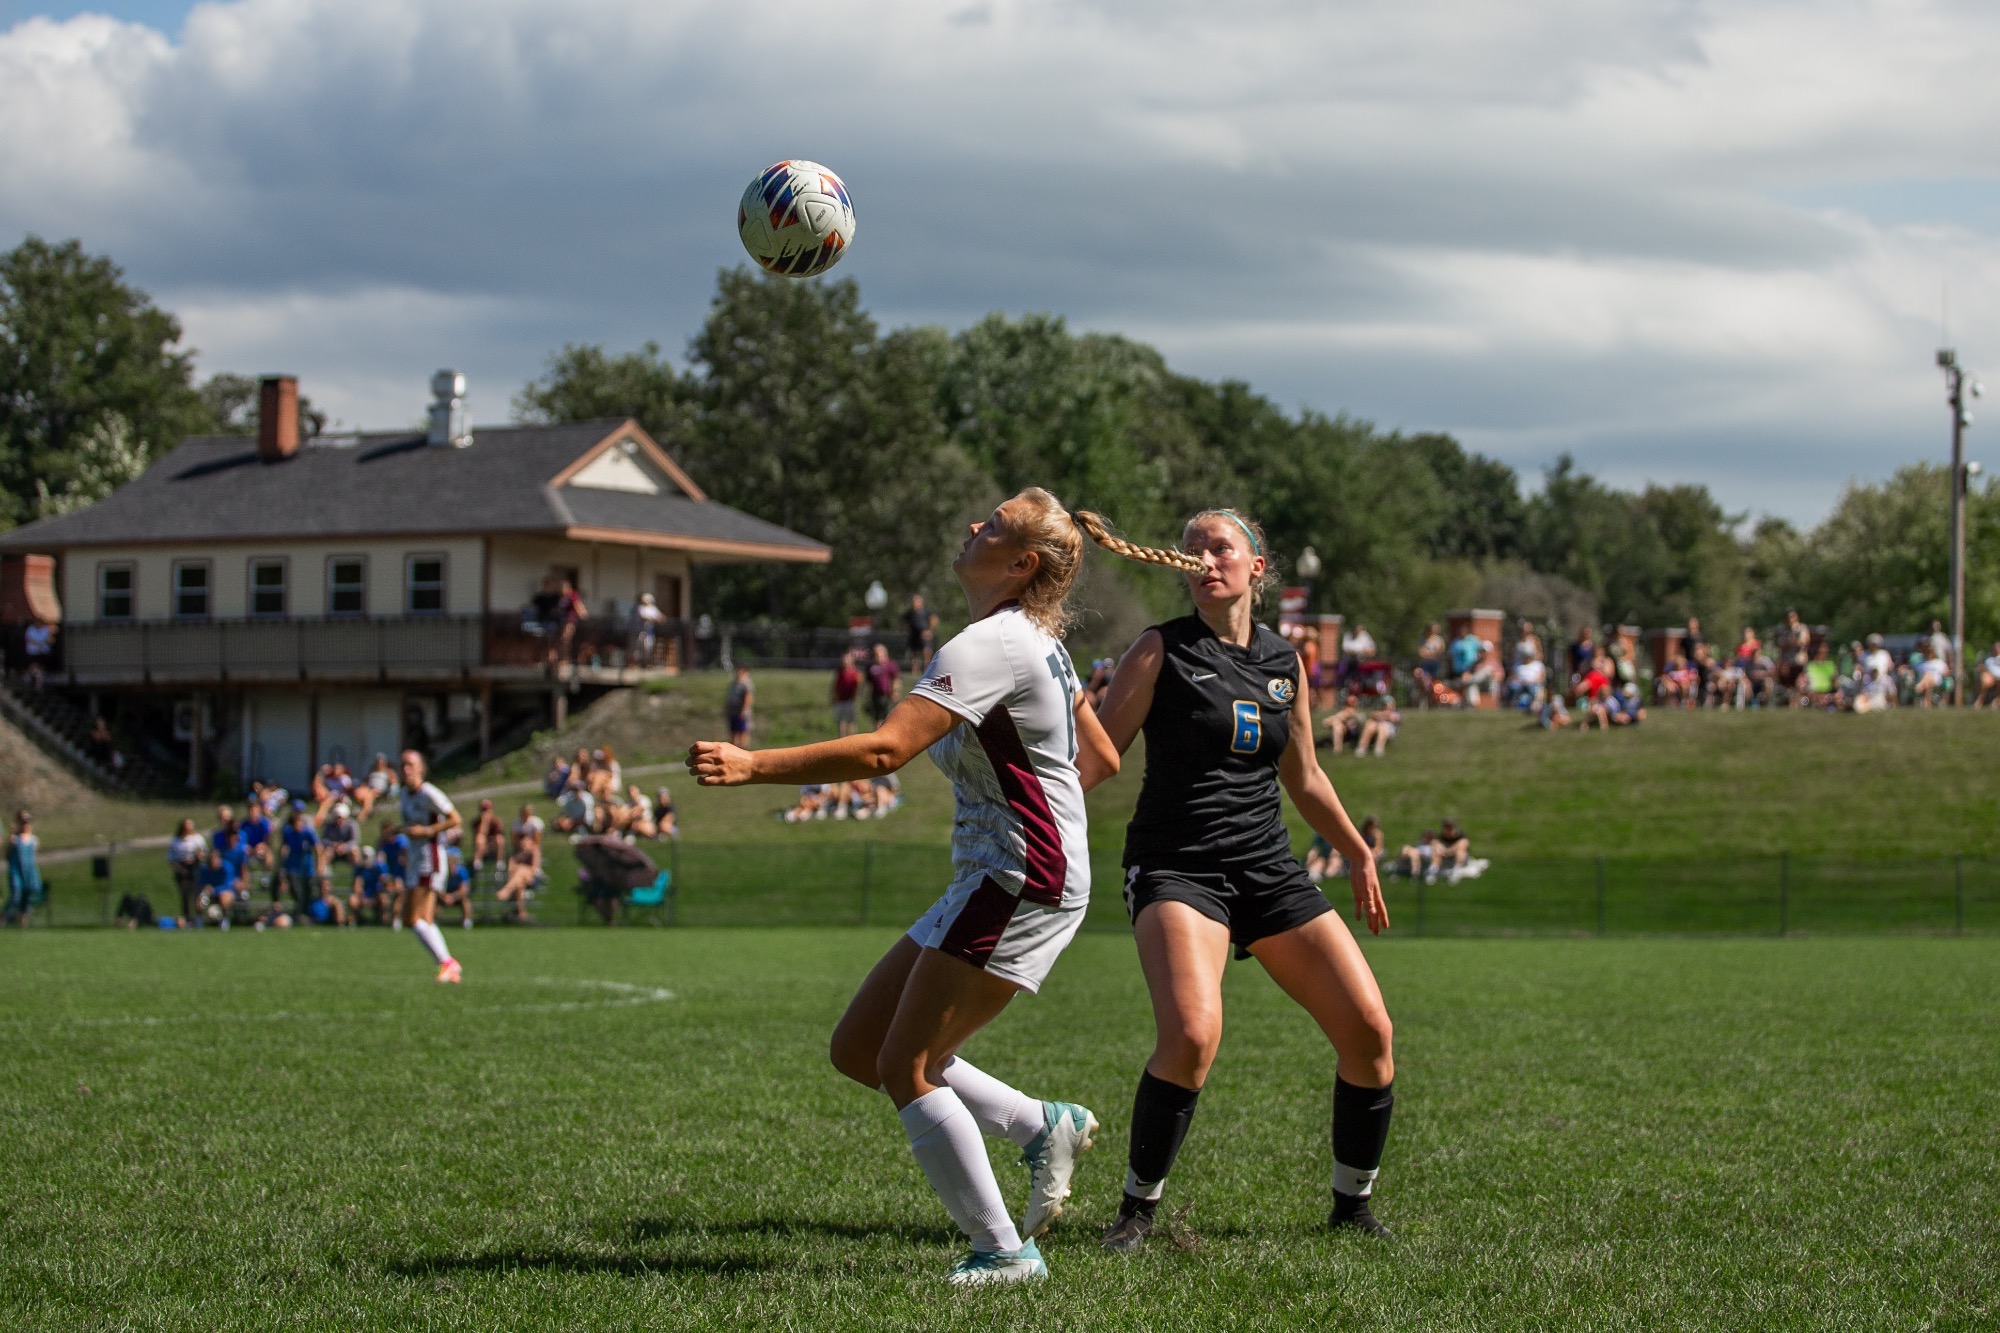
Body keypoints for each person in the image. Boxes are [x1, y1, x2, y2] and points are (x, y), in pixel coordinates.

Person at [688, 488, 1156, 1286]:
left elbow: (882, 754)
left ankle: (1005, 1252)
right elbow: (1102, 757)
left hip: (1017, 876)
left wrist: (751, 764)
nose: (973, 523)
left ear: (1021, 564)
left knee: (907, 1063)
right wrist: (1042, 810)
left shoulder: (992, 645)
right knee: (861, 1049)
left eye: (994, 525)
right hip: (1004, 871)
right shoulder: (1034, 639)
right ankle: (1042, 1125)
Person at [1086, 505, 1396, 1253]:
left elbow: (1307, 775)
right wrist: (1034, 811)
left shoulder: (1285, 662)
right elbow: (1096, 754)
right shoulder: (1159, 649)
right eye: (1191, 546)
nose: (1202, 557)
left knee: (1370, 1033)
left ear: (1257, 567)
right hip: (1176, 864)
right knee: (1193, 1033)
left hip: (1266, 865)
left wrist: (1356, 850)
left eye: (1219, 545)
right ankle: (1136, 1209)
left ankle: (1350, 1207)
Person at [395, 749, 464, 982]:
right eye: (403, 764)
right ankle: (448, 966)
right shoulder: (404, 794)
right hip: (415, 860)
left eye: (411, 765)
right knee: (422, 919)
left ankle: (447, 963)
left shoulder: (429, 793)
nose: (406, 769)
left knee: (413, 918)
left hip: (430, 858)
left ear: (421, 768)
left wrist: (426, 831)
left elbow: (455, 819)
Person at [279, 806, 321, 910]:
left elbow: (318, 848)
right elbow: (284, 847)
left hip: (307, 865)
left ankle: (306, 910)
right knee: (294, 887)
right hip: (293, 865)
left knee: (309, 889)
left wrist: (319, 865)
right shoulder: (288, 832)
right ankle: (300, 909)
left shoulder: (308, 832)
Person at [6, 810, 42, 926]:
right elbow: (6, 856)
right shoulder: (14, 839)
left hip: (29, 872)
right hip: (16, 871)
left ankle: (22, 924)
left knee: (27, 898)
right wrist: (10, 844)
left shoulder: (34, 840)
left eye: (27, 822)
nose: (25, 825)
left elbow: (33, 858)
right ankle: (4, 918)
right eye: (22, 822)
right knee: (16, 895)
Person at [168, 817, 207, 922]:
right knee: (185, 894)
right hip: (182, 869)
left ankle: (199, 918)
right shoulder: (176, 841)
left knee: (197, 894)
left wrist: (198, 857)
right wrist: (180, 869)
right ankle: (187, 917)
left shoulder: (197, 839)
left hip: (195, 868)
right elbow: (171, 859)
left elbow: (203, 853)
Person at [348, 847, 390, 925]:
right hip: (363, 896)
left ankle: (383, 921)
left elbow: (383, 884)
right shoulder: (359, 869)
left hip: (375, 895)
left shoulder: (378, 868)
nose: (364, 859)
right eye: (363, 856)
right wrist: (362, 897)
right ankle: (358, 920)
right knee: (353, 900)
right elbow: (357, 885)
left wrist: (374, 897)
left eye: (366, 856)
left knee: (383, 899)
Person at [471, 799, 508, 881]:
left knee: (499, 840)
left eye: (487, 809)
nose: (485, 812)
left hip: (494, 848)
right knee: (480, 839)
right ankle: (477, 867)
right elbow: (480, 834)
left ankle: (499, 867)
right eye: (483, 810)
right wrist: (484, 823)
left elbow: (499, 833)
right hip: (482, 849)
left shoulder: (496, 821)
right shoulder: (476, 822)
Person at [866, 642, 900, 730]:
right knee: (877, 718)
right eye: (875, 654)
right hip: (875, 695)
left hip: (887, 695)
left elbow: (895, 679)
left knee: (888, 718)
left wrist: (894, 691)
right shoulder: (871, 667)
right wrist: (866, 697)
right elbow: (868, 683)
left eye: (879, 653)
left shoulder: (890, 665)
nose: (877, 656)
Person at [832, 649, 863, 738]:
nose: (845, 660)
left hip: (850, 700)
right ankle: (841, 739)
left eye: (847, 658)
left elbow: (859, 685)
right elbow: (836, 684)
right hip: (840, 700)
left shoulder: (855, 672)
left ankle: (851, 740)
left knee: (851, 721)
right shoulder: (840, 671)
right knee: (840, 721)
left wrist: (856, 697)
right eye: (844, 658)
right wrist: (834, 695)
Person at [905, 593, 939, 671]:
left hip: (924, 635)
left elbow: (934, 620)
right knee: (914, 653)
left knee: (926, 652)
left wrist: (929, 631)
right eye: (914, 601)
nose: (915, 603)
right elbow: (904, 622)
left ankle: (926, 669)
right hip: (914, 635)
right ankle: (914, 670)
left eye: (917, 601)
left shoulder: (926, 612)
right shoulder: (910, 613)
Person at [725, 664, 754, 748]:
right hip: (733, 711)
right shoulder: (735, 683)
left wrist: (744, 710)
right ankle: (734, 748)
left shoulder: (746, 683)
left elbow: (748, 698)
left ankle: (743, 748)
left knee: (743, 731)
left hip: (741, 711)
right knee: (734, 731)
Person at [1977, 641, 2000, 708]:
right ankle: (1980, 699)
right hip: (1990, 677)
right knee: (1984, 680)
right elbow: (1983, 668)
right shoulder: (1988, 658)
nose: (1996, 649)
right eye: (1995, 647)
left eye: (1998, 647)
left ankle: (1997, 700)